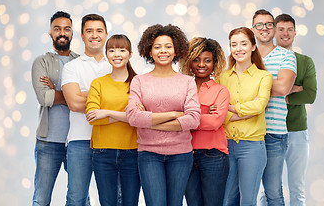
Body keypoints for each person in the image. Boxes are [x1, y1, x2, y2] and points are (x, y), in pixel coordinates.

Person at [125, 24, 201, 206]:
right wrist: (174, 114)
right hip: (149, 153)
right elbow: (133, 116)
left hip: (181, 154)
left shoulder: (187, 82)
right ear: (149, 51)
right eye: (157, 47)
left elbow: (193, 118)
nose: (163, 51)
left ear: (176, 50)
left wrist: (149, 121)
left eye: (168, 46)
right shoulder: (139, 81)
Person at [219, 27, 273, 206]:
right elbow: (215, 111)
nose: (238, 49)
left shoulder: (263, 77)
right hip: (225, 146)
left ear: (253, 46)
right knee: (226, 201)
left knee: (247, 201)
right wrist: (243, 111)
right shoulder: (222, 77)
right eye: (234, 44)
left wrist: (230, 108)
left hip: (252, 147)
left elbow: (259, 106)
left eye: (243, 44)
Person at [85, 34, 140, 206]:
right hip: (103, 152)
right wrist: (128, 116)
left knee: (130, 203)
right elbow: (93, 117)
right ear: (107, 54)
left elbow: (141, 119)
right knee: (107, 203)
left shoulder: (139, 83)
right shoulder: (98, 83)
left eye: (122, 50)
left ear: (130, 54)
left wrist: (107, 113)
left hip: (133, 151)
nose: (117, 54)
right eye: (112, 50)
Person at [62, 14, 111, 205]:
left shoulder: (116, 65)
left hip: (110, 141)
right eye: (89, 31)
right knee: (76, 199)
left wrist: (86, 94)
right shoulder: (72, 67)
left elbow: (125, 103)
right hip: (79, 140)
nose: (94, 35)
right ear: (81, 36)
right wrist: (107, 99)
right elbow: (73, 103)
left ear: (106, 34)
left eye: (99, 31)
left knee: (112, 199)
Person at [31, 11, 79, 206]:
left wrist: (56, 90)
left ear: (72, 33)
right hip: (48, 142)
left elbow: (91, 99)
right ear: (50, 33)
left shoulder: (81, 62)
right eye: (57, 29)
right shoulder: (41, 62)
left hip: (77, 142)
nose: (62, 33)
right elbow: (45, 98)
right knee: (41, 200)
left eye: (66, 29)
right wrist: (72, 96)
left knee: (80, 199)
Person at [252, 9, 297, 206]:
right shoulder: (246, 53)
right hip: (247, 132)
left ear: (274, 28)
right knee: (238, 190)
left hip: (274, 132)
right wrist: (271, 81)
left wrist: (252, 84)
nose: (264, 28)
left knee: (273, 192)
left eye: (269, 24)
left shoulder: (286, 56)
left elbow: (283, 87)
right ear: (253, 29)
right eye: (259, 25)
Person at [180, 37, 230, 206]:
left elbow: (215, 123)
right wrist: (203, 113)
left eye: (207, 60)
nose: (201, 64)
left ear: (214, 63)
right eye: (196, 60)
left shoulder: (221, 91)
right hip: (185, 155)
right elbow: (174, 120)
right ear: (189, 62)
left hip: (214, 156)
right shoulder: (182, 89)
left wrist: (188, 117)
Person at [274, 14, 317, 206]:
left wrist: (281, 91)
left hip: (297, 131)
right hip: (270, 131)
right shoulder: (265, 59)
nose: (285, 33)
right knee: (269, 188)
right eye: (281, 29)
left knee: (297, 189)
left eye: (289, 29)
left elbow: (310, 95)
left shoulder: (305, 61)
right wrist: (294, 88)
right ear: (274, 31)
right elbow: (259, 92)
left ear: (295, 33)